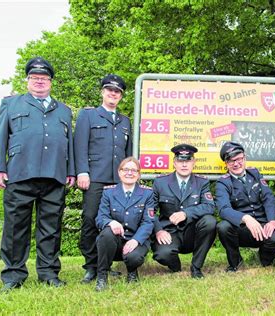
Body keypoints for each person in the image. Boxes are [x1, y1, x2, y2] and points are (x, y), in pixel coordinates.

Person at [0, 57, 75, 291]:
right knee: (16, 227)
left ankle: (48, 273)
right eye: (35, 78)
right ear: (28, 80)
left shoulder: (64, 110)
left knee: (51, 228)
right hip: (20, 173)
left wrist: (72, 172)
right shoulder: (11, 104)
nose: (39, 81)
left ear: (51, 82)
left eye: (44, 78)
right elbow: (0, 139)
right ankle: (13, 275)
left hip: (54, 175)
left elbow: (69, 144)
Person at [74, 74, 132, 283]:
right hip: (94, 178)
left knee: (114, 223)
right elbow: (79, 145)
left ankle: (105, 265)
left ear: (121, 96)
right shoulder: (88, 116)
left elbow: (128, 153)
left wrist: (129, 178)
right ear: (102, 92)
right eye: (109, 90)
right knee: (90, 219)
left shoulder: (125, 121)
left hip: (118, 182)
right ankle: (91, 266)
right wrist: (82, 171)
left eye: (117, 91)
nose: (113, 94)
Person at [216, 141, 275, 272]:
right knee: (223, 227)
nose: (236, 164)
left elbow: (268, 198)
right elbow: (223, 210)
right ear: (226, 164)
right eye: (231, 161)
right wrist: (246, 218)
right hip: (241, 229)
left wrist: (272, 221)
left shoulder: (255, 173)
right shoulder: (223, 183)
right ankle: (235, 263)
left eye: (239, 159)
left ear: (245, 157)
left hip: (262, 226)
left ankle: (264, 260)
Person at [152, 144, 216, 279]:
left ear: (193, 162)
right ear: (174, 163)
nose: (184, 165)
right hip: (170, 232)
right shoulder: (160, 182)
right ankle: (175, 266)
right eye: (181, 161)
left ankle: (196, 267)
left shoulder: (201, 182)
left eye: (188, 160)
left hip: (192, 231)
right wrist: (159, 230)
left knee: (210, 221)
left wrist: (186, 213)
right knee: (162, 255)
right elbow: (149, 211)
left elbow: (209, 206)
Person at [94, 157, 154, 291]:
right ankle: (102, 276)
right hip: (115, 241)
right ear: (119, 172)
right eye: (126, 169)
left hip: (135, 239)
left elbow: (148, 222)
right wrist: (110, 222)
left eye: (134, 170)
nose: (129, 173)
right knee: (106, 234)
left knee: (134, 257)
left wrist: (136, 240)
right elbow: (100, 217)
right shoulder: (108, 193)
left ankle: (132, 271)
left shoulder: (147, 194)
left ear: (138, 174)